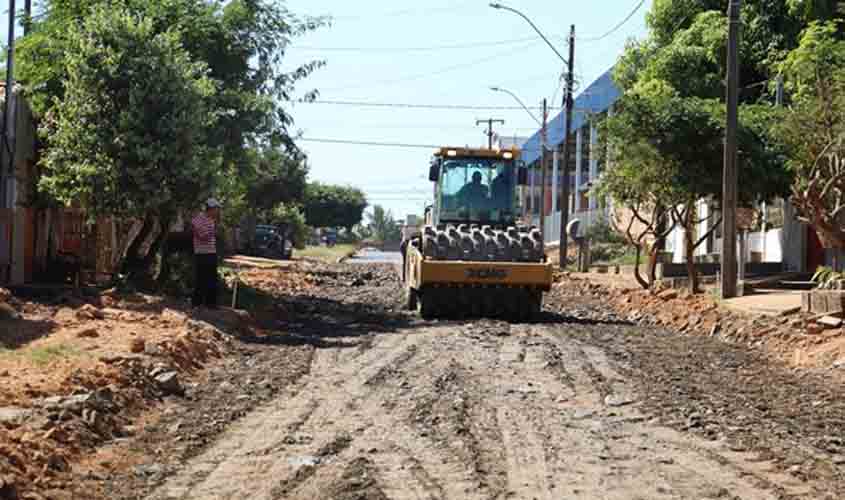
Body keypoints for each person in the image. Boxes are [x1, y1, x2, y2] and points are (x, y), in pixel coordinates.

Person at [191, 198, 221, 308]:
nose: (217, 211)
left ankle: (211, 304)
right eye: (216, 209)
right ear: (211, 209)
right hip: (201, 253)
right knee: (201, 278)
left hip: (211, 252)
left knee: (212, 278)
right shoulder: (198, 219)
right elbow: (201, 236)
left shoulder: (212, 220)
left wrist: (213, 231)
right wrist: (213, 232)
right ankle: (196, 303)